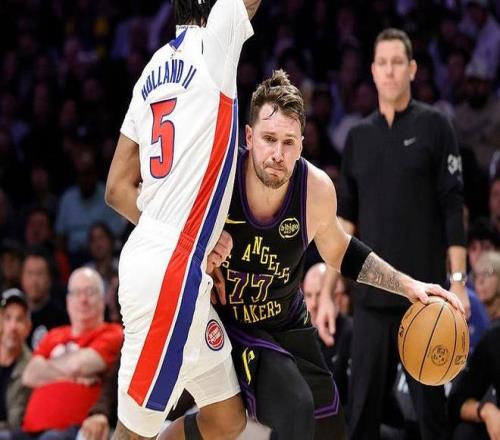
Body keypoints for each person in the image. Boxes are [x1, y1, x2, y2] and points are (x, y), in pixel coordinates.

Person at [202, 69, 463, 440]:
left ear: (302, 144)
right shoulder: (219, 180)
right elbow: (161, 224)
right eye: (269, 139)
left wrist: (408, 286)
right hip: (231, 323)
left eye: (288, 142)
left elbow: (341, 251)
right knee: (295, 406)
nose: (277, 154)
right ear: (248, 137)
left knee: (331, 427)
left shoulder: (315, 189)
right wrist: (200, 253)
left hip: (287, 322)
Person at [104, 1, 261, 439]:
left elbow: (116, 188)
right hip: (171, 270)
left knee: (227, 419)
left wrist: (186, 233)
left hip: (167, 255)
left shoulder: (152, 69)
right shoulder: (214, 44)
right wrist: (183, 237)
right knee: (132, 433)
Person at [337, 28, 468, 440]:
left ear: (412, 69)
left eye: (398, 62)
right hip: (371, 303)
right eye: (383, 63)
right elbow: (344, 223)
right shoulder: (357, 138)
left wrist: (458, 282)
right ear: (373, 71)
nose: (390, 71)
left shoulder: (436, 126)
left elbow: (453, 208)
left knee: (432, 422)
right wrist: (327, 287)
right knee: (360, 419)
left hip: (426, 301)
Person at [19, 267, 123, 440]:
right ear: (68, 300)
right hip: (27, 430)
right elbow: (29, 374)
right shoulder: (53, 335)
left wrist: (46, 368)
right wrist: (72, 377)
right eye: (77, 293)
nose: (83, 300)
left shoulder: (113, 333)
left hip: (75, 430)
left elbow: (80, 365)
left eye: (90, 292)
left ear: (102, 299)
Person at [303, 263, 352, 406]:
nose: (313, 304)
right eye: (308, 295)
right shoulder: (301, 337)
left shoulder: (352, 333)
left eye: (319, 295)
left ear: (334, 296)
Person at [0, 289, 32, 434]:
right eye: (7, 318)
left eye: (19, 319)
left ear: (28, 327)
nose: (13, 327)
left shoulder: (32, 368)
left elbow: (17, 424)